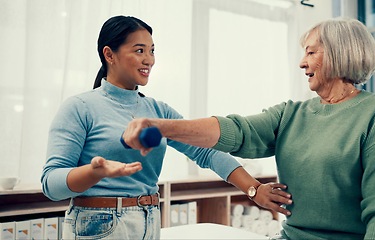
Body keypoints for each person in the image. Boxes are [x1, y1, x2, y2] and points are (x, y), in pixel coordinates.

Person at [122, 17, 375, 239]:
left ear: (338, 53)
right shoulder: (291, 114)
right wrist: (160, 127)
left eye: (311, 52)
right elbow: (236, 130)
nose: (302, 62)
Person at [41, 15, 292, 240]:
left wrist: (254, 189)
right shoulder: (80, 107)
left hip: (149, 221)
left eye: (152, 51)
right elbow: (51, 184)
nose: (149, 59)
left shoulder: (158, 112)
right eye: (139, 50)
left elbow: (206, 152)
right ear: (109, 55)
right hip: (97, 225)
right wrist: (96, 171)